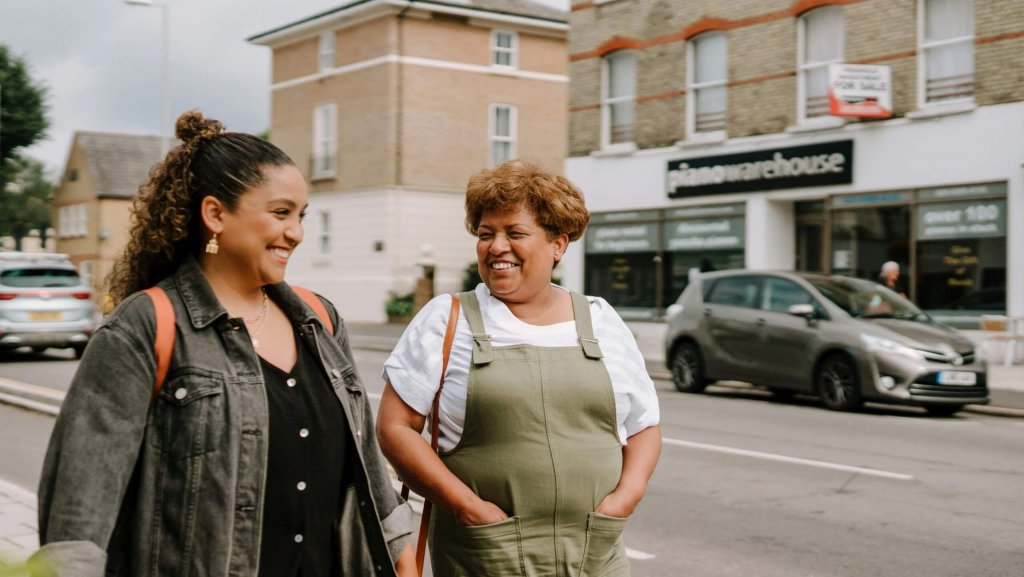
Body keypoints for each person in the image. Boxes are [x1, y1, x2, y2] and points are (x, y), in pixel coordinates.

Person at [31, 110, 414, 577]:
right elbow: (79, 514)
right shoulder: (148, 325)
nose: (296, 232)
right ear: (215, 214)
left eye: (300, 215)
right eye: (280, 213)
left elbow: (367, 466)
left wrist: (401, 554)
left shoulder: (321, 320)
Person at [376, 160, 662, 576]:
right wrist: (467, 507)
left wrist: (628, 496)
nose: (496, 247)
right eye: (486, 234)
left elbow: (644, 425)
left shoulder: (601, 321)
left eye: (515, 233)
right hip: (484, 554)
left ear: (558, 244)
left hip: (593, 553)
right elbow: (395, 428)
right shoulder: (447, 319)